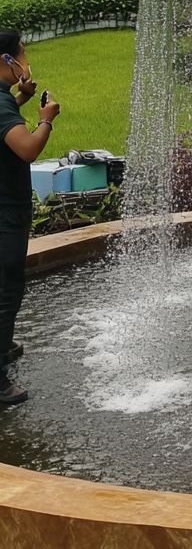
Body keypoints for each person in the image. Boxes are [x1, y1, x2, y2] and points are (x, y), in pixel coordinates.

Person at [0, 29, 60, 407]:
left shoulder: (4, 101)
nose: (25, 60)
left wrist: (19, 98)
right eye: (21, 54)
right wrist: (46, 120)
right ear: (6, 61)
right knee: (7, 291)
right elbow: (26, 149)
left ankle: (3, 345)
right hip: (6, 214)